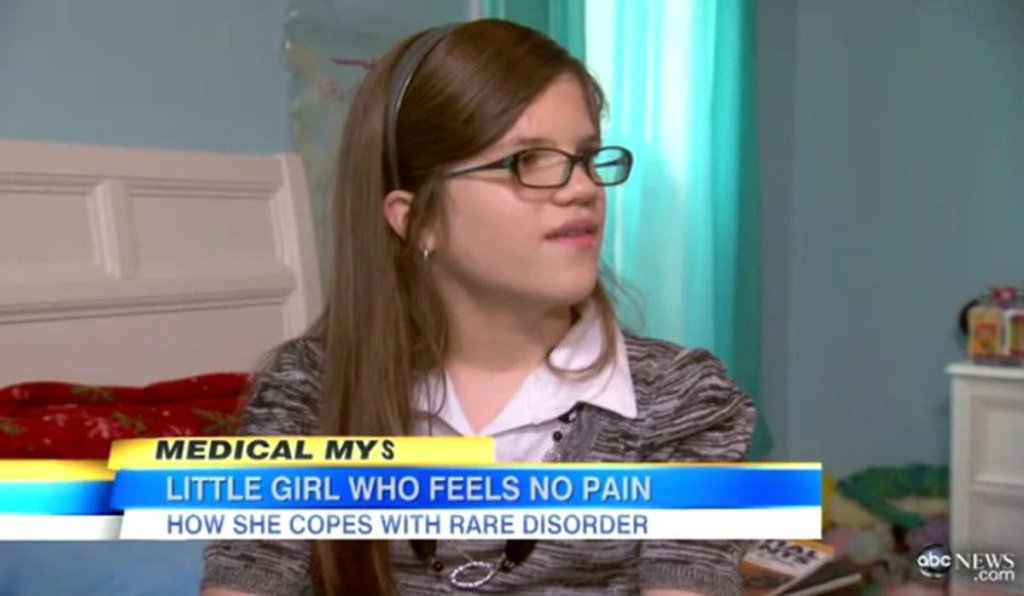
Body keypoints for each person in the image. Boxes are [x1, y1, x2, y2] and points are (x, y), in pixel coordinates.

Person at [202, 18, 755, 596]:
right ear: (417, 220)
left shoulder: (686, 402)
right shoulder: (306, 393)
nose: (583, 188)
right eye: (527, 160)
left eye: (587, 156)